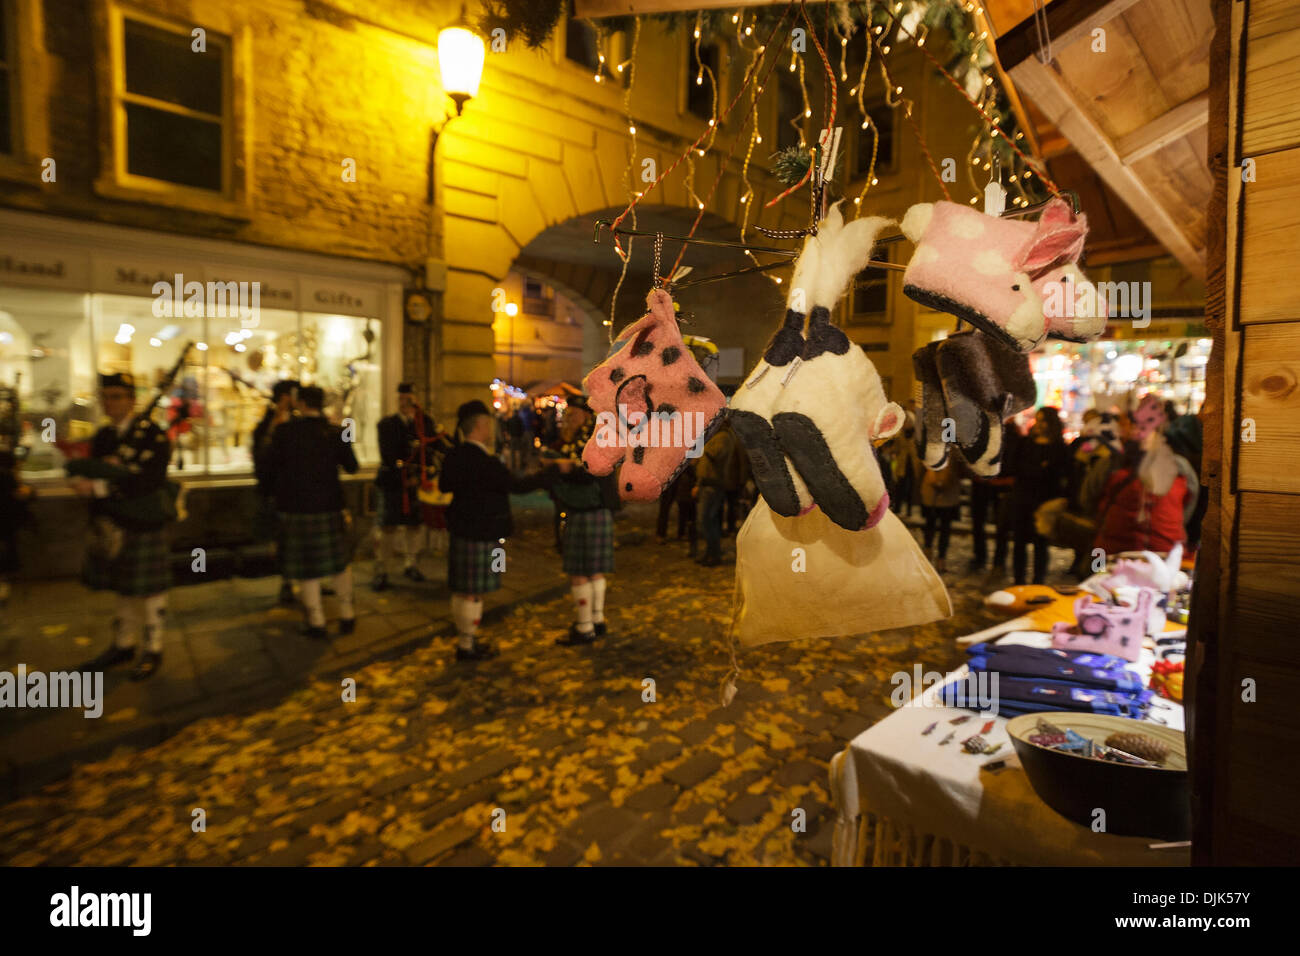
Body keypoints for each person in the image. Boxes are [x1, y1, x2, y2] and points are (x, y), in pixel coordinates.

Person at [75, 372, 174, 680]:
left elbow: (149, 479)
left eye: (117, 396)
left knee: (150, 591)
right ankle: (123, 644)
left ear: (132, 400)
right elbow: (94, 470)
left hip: (144, 521)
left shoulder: (153, 434)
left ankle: (154, 647)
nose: (110, 402)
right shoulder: (104, 436)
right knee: (122, 589)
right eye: (106, 397)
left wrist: (102, 488)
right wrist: (82, 481)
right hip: (113, 523)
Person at [439, 400, 537, 662]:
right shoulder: (487, 462)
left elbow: (444, 485)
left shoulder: (454, 456)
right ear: (480, 426)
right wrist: (548, 476)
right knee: (473, 592)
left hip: (461, 530)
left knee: (462, 590)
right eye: (488, 424)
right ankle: (467, 646)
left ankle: (465, 641)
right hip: (482, 532)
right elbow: (515, 486)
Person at [258, 385, 359, 639]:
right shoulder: (337, 432)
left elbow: (267, 468)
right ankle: (347, 615)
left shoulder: (284, 432)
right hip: (330, 507)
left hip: (296, 509)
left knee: (306, 569)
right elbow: (353, 467)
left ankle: (317, 622)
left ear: (301, 404)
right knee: (339, 565)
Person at [533, 396, 619, 646]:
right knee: (593, 570)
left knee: (579, 571)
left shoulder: (593, 438)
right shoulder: (590, 436)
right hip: (592, 509)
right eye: (567, 416)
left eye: (573, 415)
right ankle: (597, 619)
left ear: (585, 415)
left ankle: (584, 627)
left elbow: (588, 470)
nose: (568, 420)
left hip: (586, 509)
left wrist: (562, 465)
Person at [1093, 396, 1193, 556]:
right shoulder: (1111, 464)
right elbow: (1090, 499)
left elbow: (1188, 505)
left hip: (1159, 554)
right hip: (1118, 554)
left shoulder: (1179, 467)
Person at [373, 383, 444, 590]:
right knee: (388, 527)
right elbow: (387, 455)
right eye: (402, 398)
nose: (405, 402)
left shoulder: (425, 422)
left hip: (418, 484)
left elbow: (434, 447)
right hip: (393, 483)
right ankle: (381, 569)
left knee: (415, 526)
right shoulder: (386, 424)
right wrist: (404, 476)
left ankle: (410, 564)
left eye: (409, 398)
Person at [1007, 407, 1069, 585]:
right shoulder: (1026, 443)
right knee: (1019, 542)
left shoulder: (1058, 448)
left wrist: (1040, 470)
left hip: (1044, 502)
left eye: (1043, 421)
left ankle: (1038, 581)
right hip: (1023, 498)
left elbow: (1059, 474)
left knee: (1040, 544)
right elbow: (1016, 466)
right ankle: (1018, 580)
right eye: (1038, 420)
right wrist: (1039, 468)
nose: (1040, 425)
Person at [251, 379, 299, 604]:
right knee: (282, 540)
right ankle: (287, 583)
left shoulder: (300, 421)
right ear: (284, 398)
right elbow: (260, 454)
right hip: (276, 490)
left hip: (297, 489)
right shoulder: (267, 423)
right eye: (293, 395)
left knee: (298, 540)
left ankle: (309, 581)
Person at [694, 423, 740, 567]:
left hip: (712, 484)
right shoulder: (719, 436)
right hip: (708, 483)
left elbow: (714, 454)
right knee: (707, 521)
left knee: (707, 521)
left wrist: (702, 445)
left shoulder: (723, 437)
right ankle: (710, 553)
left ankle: (714, 554)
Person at [0, 450, 33, 607]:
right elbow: (22, 494)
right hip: (7, 522)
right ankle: (3, 585)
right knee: (7, 549)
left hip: (6, 521)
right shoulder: (7, 477)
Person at [920, 457, 961, 573]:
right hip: (934, 493)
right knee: (936, 527)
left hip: (945, 494)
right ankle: (935, 558)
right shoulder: (948, 442)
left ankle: (937, 558)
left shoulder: (949, 441)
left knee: (940, 527)